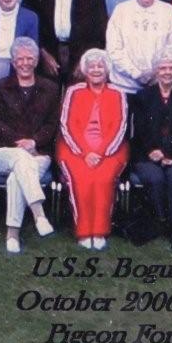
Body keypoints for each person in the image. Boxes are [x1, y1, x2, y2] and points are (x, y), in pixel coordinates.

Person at [0, 37, 59, 253]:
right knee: (20, 158)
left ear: (36, 61)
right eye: (20, 59)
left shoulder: (50, 88)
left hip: (39, 152)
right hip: (3, 151)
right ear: (13, 61)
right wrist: (21, 144)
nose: (25, 63)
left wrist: (34, 142)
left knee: (16, 176)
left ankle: (12, 234)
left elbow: (52, 124)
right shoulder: (1, 87)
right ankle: (39, 214)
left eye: (30, 58)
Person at [56, 49, 129, 250]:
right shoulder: (73, 91)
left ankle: (99, 231)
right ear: (84, 70)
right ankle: (83, 231)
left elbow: (120, 126)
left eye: (100, 66)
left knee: (103, 180)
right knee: (82, 179)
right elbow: (66, 124)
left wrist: (101, 152)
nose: (96, 70)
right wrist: (85, 152)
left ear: (107, 70)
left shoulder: (118, 93)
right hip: (75, 149)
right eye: (92, 67)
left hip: (111, 150)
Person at [129, 48, 172, 251]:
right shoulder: (143, 96)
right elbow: (140, 129)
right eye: (163, 68)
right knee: (155, 177)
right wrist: (154, 151)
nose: (167, 72)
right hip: (146, 153)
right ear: (156, 71)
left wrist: (170, 153)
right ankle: (160, 220)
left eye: (171, 68)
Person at [105, 0, 172, 98]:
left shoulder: (168, 11)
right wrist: (136, 73)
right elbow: (114, 49)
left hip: (157, 85)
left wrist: (156, 72)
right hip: (124, 85)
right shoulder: (121, 10)